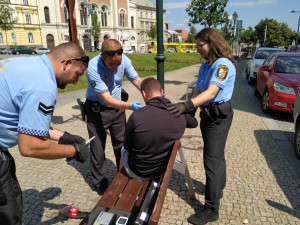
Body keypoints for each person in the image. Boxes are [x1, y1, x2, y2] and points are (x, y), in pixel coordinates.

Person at [0, 42, 90, 225]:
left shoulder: (26, 64)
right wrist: (74, 151)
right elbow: (29, 147)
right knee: (9, 214)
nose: (75, 81)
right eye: (77, 74)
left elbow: (29, 122)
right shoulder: (43, 86)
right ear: (66, 63)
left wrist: (63, 137)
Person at [167, 28, 236, 225]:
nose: (197, 49)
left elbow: (212, 92)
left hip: (218, 116)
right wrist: (189, 111)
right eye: (196, 45)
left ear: (212, 44)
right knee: (216, 155)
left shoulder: (223, 65)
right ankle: (218, 188)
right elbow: (199, 89)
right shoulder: (207, 66)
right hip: (208, 114)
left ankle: (212, 208)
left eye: (200, 45)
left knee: (211, 160)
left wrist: (186, 105)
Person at [83, 39, 143, 194]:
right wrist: (130, 106)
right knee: (97, 149)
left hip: (117, 112)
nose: (116, 68)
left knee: (122, 146)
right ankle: (100, 183)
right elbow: (108, 99)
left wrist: (150, 93)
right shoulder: (93, 68)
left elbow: (136, 80)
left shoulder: (124, 60)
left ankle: (123, 176)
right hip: (97, 112)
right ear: (103, 57)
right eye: (112, 65)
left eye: (118, 64)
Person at [121, 77, 198, 180]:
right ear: (162, 92)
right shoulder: (179, 113)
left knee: (122, 149)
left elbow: (127, 146)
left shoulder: (136, 116)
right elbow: (194, 123)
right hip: (162, 169)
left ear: (144, 94)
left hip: (139, 171)